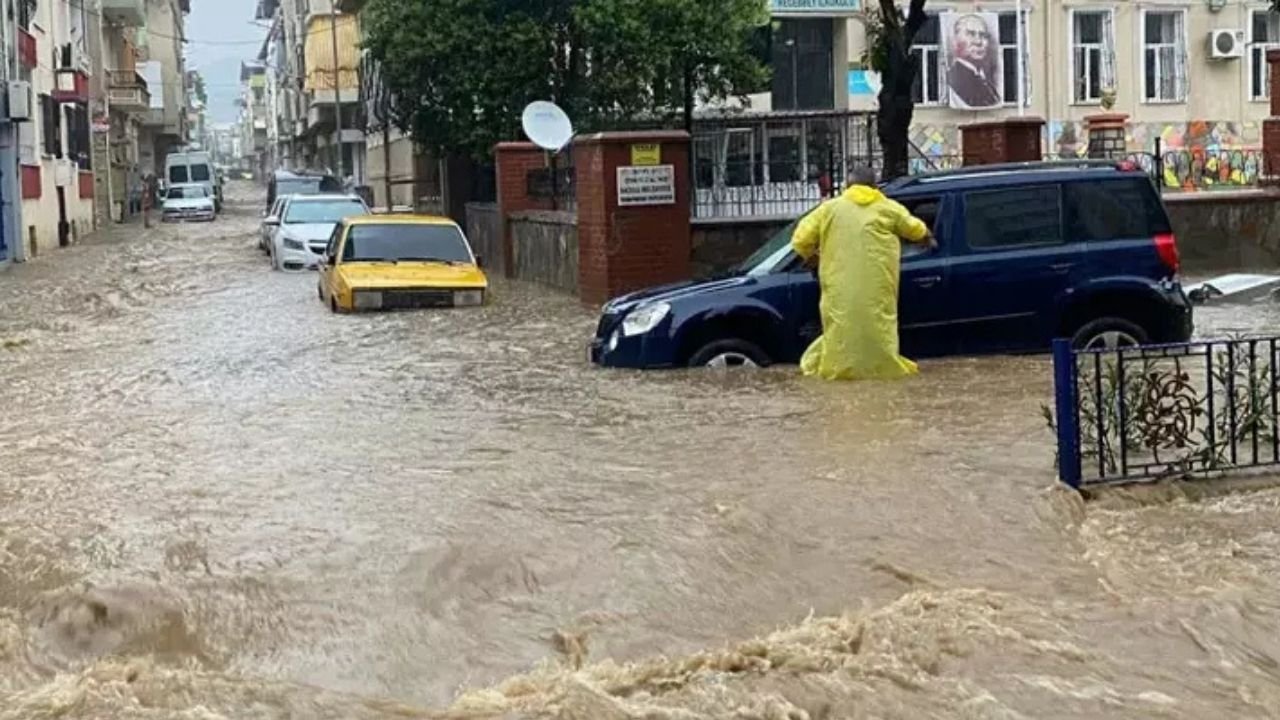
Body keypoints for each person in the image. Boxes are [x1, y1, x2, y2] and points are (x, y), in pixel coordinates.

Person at [790, 166, 934, 381]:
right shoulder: (889, 208)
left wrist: (813, 260)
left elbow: (800, 241)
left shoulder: (828, 209)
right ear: (875, 186)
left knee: (840, 330)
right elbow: (916, 229)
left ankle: (838, 370)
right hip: (879, 287)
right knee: (879, 328)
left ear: (847, 186)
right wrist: (929, 239)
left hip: (838, 288)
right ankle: (882, 370)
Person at [947, 14, 1001, 109]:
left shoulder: (985, 78)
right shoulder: (954, 78)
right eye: (971, 34)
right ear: (955, 40)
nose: (979, 42)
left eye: (983, 35)